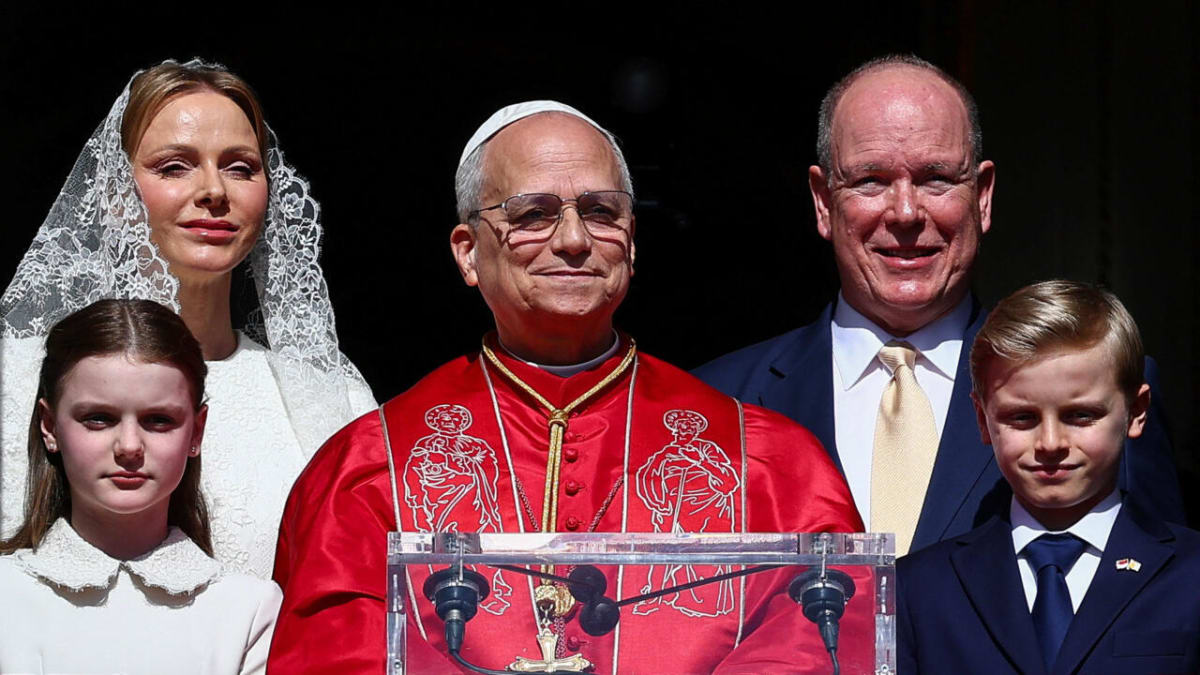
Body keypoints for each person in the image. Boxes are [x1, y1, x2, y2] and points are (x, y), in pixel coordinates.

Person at [269, 101, 868, 674]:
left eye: (602, 212)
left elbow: (826, 632)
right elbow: (335, 651)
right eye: (533, 214)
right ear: (468, 253)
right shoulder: (371, 467)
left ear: (632, 240)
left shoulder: (770, 464)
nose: (574, 240)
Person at [694, 54, 1183, 555]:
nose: (905, 213)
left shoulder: (1104, 391)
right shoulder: (714, 403)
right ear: (823, 202)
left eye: (936, 178)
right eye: (870, 180)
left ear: (983, 196)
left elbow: (1154, 605)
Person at [0, 60, 376, 579]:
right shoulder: (15, 380)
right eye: (174, 166)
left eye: (240, 167)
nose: (214, 192)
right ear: (114, 194)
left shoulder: (328, 399)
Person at [896, 280, 1200, 673]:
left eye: (1081, 415)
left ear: (1137, 411)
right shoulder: (918, 589)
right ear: (982, 419)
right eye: (1022, 418)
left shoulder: (1190, 574)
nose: (1051, 442)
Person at [0, 299, 281, 674]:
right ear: (49, 426)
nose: (129, 446)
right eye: (98, 419)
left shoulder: (246, 611)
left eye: (159, 420)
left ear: (197, 430)